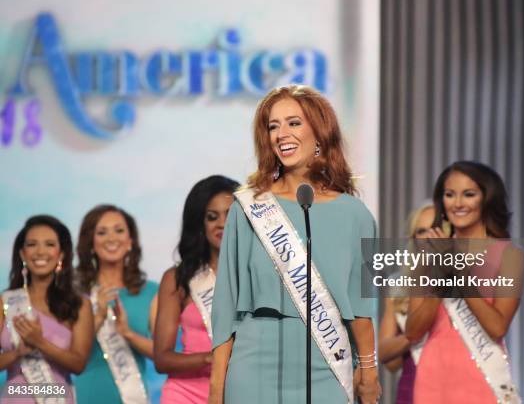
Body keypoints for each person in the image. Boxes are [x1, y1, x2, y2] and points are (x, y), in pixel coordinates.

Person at [209, 85, 381, 404]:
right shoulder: (248, 208)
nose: (281, 134)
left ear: (320, 132)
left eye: (294, 122)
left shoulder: (355, 215)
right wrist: (217, 387)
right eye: (273, 126)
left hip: (326, 367)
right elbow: (225, 306)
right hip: (253, 366)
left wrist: (368, 370)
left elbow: (362, 307)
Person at [406, 161, 523, 404]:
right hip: (432, 378)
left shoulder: (510, 255)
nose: (458, 204)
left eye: (468, 194)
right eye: (450, 195)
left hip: (481, 376)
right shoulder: (429, 253)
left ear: (487, 198)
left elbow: (497, 327)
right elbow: (413, 332)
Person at [154, 175, 239, 403]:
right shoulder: (178, 278)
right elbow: (162, 359)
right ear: (200, 223)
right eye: (212, 217)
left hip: (240, 392)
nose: (222, 223)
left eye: (230, 214)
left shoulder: (257, 274)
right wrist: (214, 358)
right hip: (185, 394)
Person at [0, 215, 93, 403]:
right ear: (22, 253)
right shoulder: (6, 301)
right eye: (32, 244)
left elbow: (79, 364)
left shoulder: (79, 304)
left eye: (49, 244)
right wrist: (18, 352)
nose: (40, 252)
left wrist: (39, 342)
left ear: (61, 254)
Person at [73, 205, 159, 404]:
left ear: (130, 241)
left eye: (119, 230)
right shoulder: (76, 293)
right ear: (91, 243)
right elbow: (69, 354)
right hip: (86, 396)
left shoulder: (151, 292)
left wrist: (127, 333)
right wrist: (97, 318)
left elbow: (162, 355)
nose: (112, 238)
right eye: (102, 232)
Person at [378, 202, 436, 404]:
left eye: (435, 229)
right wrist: (413, 335)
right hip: (413, 389)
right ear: (413, 239)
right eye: (421, 231)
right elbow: (388, 359)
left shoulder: (467, 282)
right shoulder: (399, 286)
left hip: (459, 386)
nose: (429, 237)